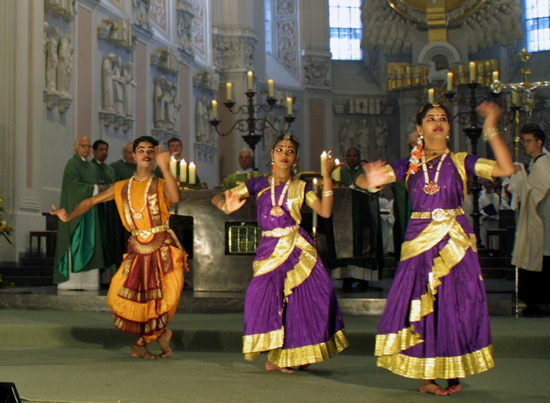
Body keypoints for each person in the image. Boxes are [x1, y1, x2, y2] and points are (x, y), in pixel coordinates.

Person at [356, 102, 514, 395]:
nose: (438, 122)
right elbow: (362, 180)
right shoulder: (408, 164)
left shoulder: (461, 160)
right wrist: (373, 179)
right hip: (420, 241)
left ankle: (453, 367)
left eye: (443, 118)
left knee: (458, 303)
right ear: (420, 129)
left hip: (455, 239)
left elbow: (505, 168)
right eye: (431, 119)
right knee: (422, 305)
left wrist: (490, 128)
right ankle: (427, 377)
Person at [211, 134, 349, 373]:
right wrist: (226, 205)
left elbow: (325, 212)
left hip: (298, 247)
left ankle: (289, 354)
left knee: (307, 297)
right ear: (272, 154)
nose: (284, 154)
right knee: (260, 296)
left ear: (295, 159)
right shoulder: (257, 184)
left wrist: (326, 177)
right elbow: (217, 197)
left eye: (290, 151)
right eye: (280, 149)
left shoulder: (301, 187)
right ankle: (275, 353)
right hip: (269, 249)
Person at [51, 136, 188, 359]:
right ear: (133, 156)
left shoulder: (160, 184)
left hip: (162, 246)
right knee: (122, 297)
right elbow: (91, 201)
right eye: (141, 150)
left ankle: (143, 343)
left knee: (165, 298)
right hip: (137, 248)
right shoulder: (121, 187)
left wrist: (165, 166)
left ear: (154, 157)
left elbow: (174, 196)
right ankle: (157, 336)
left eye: (150, 151)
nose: (145, 153)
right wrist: (69, 215)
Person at [53, 136, 106, 290]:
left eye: (89, 146)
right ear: (75, 148)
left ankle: (88, 282)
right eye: (83, 146)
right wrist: (97, 188)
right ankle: (71, 282)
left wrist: (98, 188)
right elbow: (74, 187)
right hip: (75, 211)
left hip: (90, 211)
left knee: (90, 240)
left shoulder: (91, 167)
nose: (87, 149)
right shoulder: (72, 165)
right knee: (74, 241)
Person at [509, 123, 550, 317]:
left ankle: (538, 301)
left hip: (539, 220)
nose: (525, 144)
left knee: (536, 258)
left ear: (539, 142)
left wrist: (518, 175)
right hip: (535, 218)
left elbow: (534, 194)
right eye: (523, 141)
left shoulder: (543, 164)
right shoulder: (537, 161)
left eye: (528, 141)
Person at [91, 140, 122, 271]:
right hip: (96, 208)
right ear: (94, 151)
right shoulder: (89, 167)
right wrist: (106, 187)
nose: (104, 152)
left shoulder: (110, 169)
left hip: (110, 208)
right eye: (101, 150)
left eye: (106, 150)